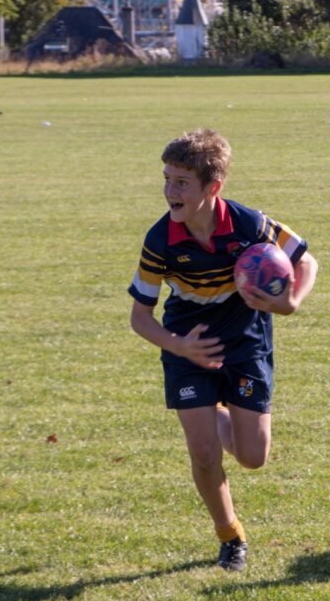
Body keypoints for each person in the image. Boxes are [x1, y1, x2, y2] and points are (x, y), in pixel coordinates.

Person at [128, 129, 318, 571]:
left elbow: (305, 260)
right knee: (204, 452)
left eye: (181, 183)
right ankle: (230, 535)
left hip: (245, 339)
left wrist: (291, 302)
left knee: (253, 457)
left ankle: (212, 410)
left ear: (213, 188)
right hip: (186, 340)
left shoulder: (251, 225)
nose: (169, 191)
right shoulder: (160, 241)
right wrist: (179, 347)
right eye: (166, 179)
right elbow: (140, 318)